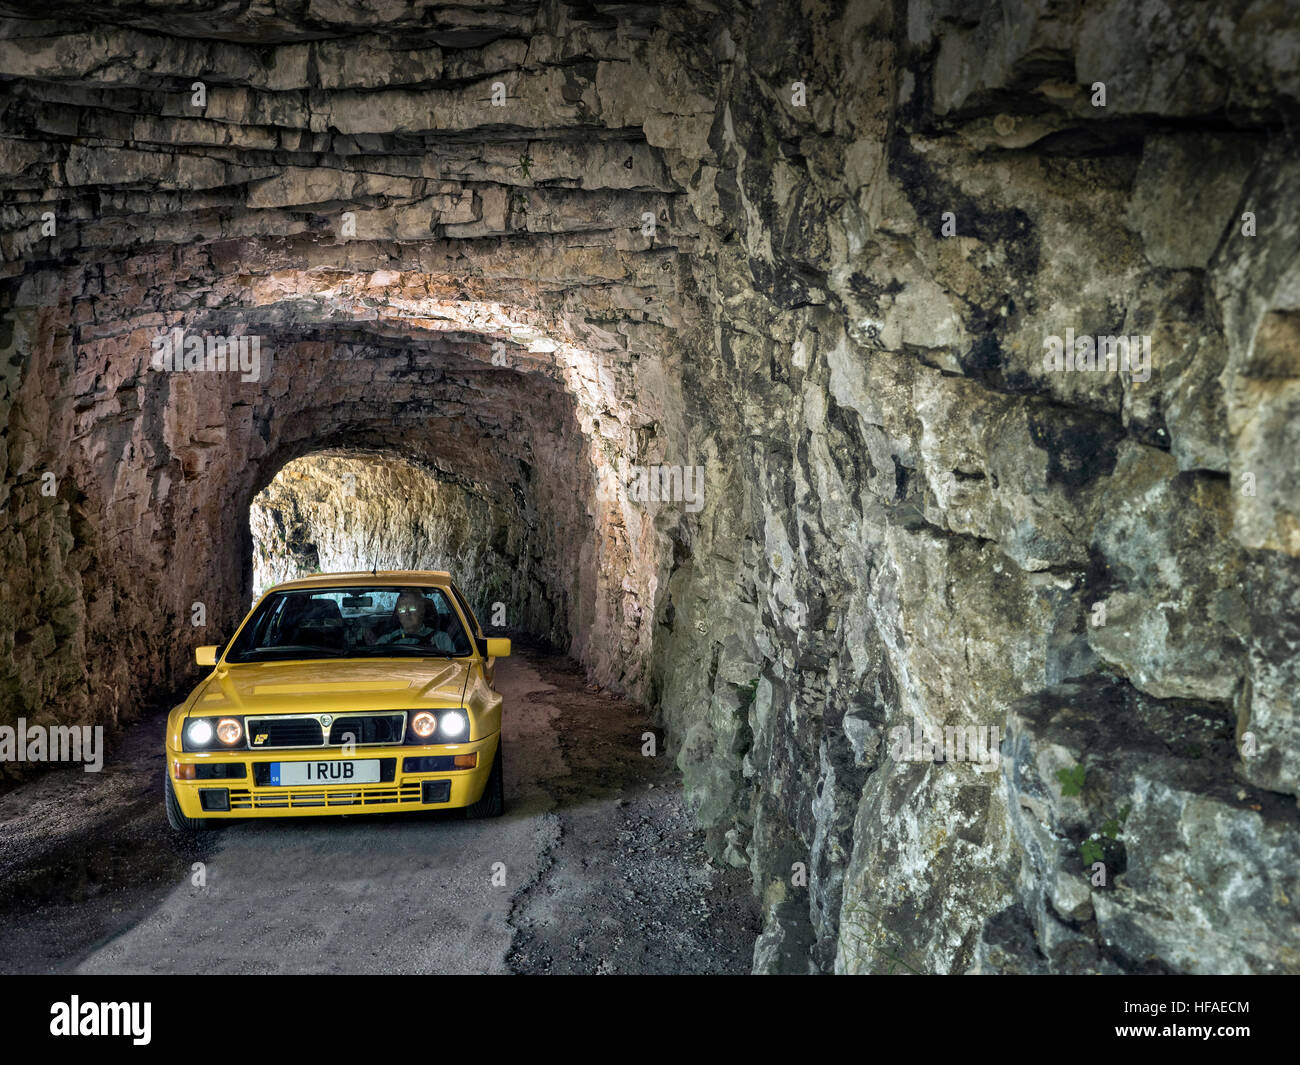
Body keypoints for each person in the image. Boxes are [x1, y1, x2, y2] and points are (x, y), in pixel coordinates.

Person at [366, 589, 455, 653]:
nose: (407, 613)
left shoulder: (441, 639)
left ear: (422, 611)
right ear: (398, 615)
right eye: (402, 610)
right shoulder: (385, 641)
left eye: (412, 608)